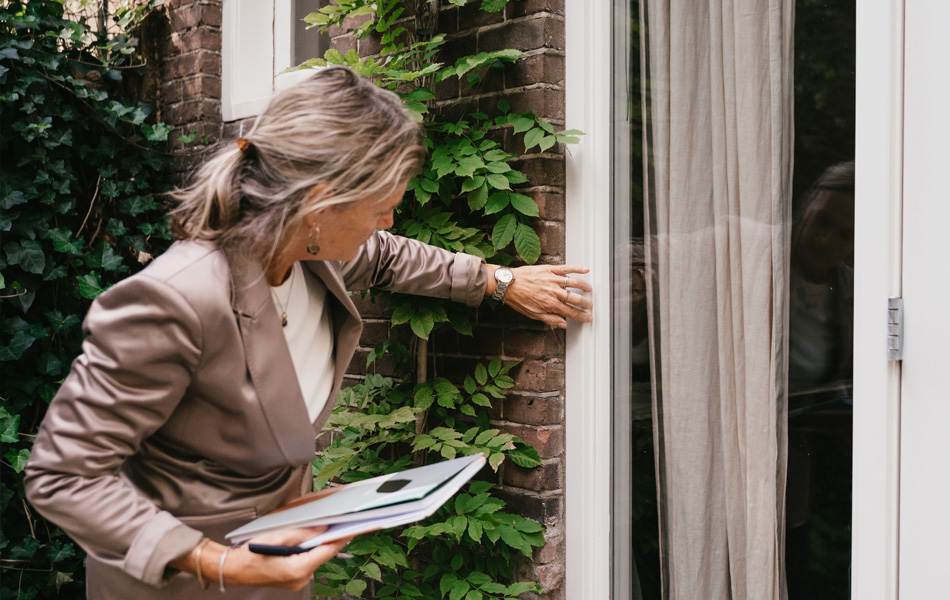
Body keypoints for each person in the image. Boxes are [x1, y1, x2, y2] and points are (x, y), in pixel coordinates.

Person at [23, 67, 593, 599]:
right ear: (320, 205)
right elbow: (63, 475)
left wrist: (500, 281)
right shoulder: (175, 300)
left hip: (276, 567)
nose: (389, 221)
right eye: (381, 207)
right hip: (182, 585)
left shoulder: (313, 253)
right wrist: (218, 561)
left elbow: (391, 256)